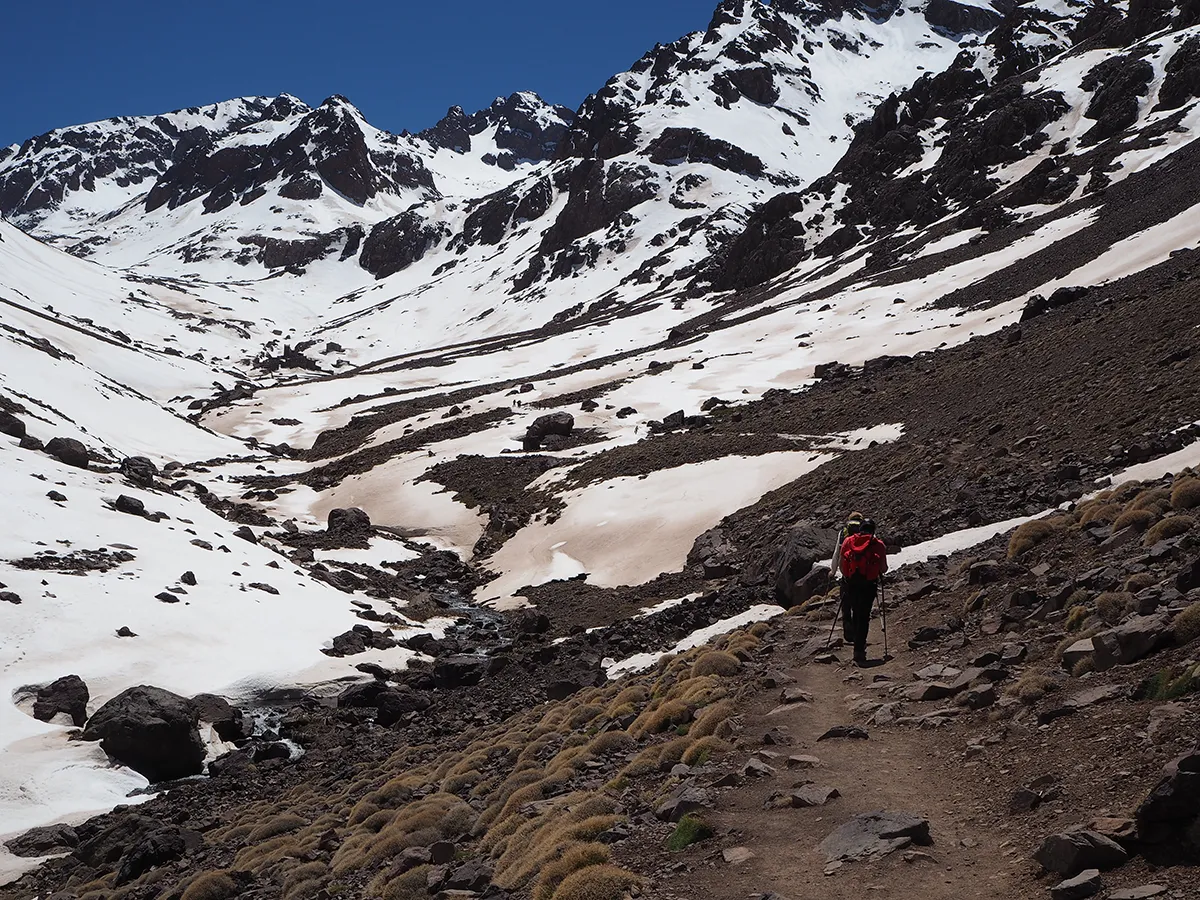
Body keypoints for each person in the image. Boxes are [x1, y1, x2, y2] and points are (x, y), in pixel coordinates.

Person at [838, 517, 888, 665]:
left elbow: (841, 565)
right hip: (869, 584)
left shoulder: (848, 542)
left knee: (855, 612)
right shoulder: (878, 544)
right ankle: (859, 651)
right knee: (864, 616)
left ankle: (855, 644)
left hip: (851, 583)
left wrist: (848, 577)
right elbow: (884, 568)